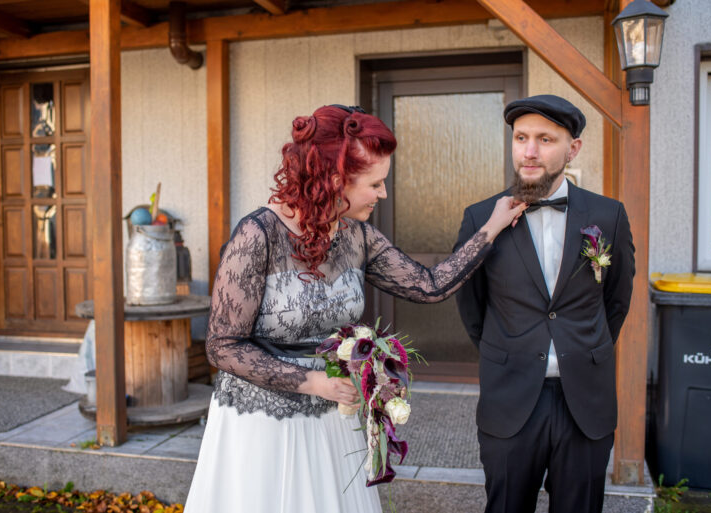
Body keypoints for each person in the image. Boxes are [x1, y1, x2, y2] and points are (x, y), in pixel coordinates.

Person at [184, 104, 526, 513]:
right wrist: (315, 383)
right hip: (263, 427)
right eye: (375, 184)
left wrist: (491, 228)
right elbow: (223, 347)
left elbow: (429, 286)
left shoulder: (357, 236)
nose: (382, 194)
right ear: (334, 181)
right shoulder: (258, 235)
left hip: (332, 420)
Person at [454, 94, 635, 513]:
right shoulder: (482, 218)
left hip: (584, 403)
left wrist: (585, 349)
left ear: (573, 149)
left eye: (545, 139)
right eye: (521, 138)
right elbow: (471, 305)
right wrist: (508, 351)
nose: (529, 151)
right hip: (511, 397)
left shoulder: (609, 215)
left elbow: (616, 300)